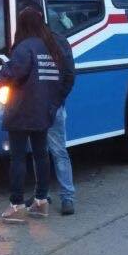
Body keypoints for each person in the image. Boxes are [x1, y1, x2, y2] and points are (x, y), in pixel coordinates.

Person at [0, 8, 66, 222]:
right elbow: (61, 78)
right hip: (44, 111)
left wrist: (4, 69)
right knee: (41, 156)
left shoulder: (24, 47)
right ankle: (41, 203)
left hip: (21, 111)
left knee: (18, 158)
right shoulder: (51, 48)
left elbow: (13, 74)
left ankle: (16, 206)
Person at [47, 30, 76, 215]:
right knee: (59, 152)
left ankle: (42, 195)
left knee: (39, 153)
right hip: (55, 105)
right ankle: (67, 198)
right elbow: (70, 75)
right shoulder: (60, 40)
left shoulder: (31, 42)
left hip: (39, 107)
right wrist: (59, 100)